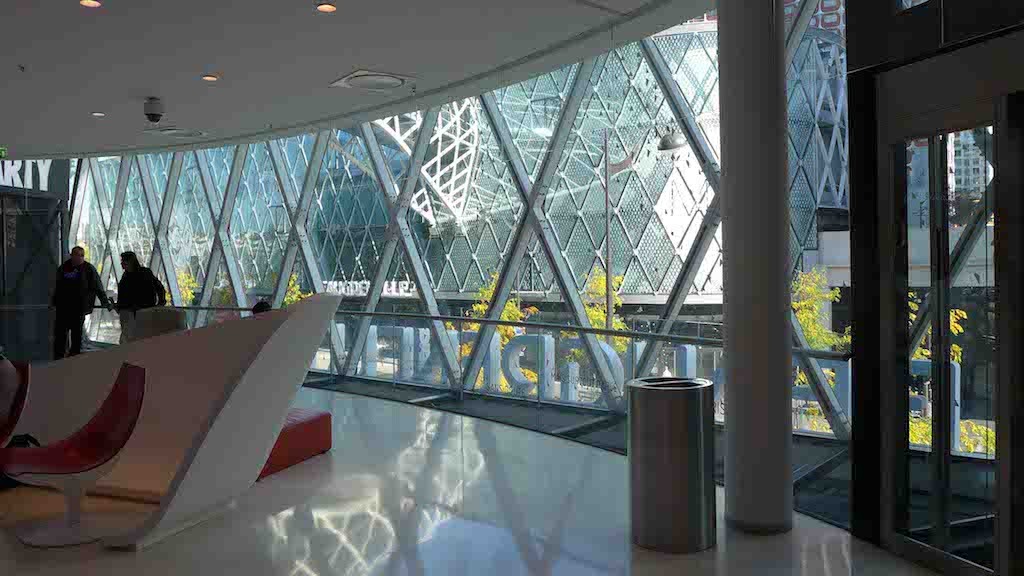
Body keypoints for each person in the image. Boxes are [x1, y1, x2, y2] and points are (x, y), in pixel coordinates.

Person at [51, 246, 111, 359]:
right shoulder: (79, 269)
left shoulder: (68, 268)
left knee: (74, 336)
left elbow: (98, 287)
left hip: (75, 309)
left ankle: (68, 358)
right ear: (72, 256)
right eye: (76, 255)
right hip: (68, 309)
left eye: (80, 256)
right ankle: (63, 358)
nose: (78, 258)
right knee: (64, 336)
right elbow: (58, 287)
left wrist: (104, 301)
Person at [115, 251, 166, 344]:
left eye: (124, 261)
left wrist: (160, 303)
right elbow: (159, 288)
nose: (121, 263)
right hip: (134, 313)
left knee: (133, 339)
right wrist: (160, 303)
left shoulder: (128, 276)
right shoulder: (137, 274)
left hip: (139, 313)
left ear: (130, 262)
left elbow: (159, 288)